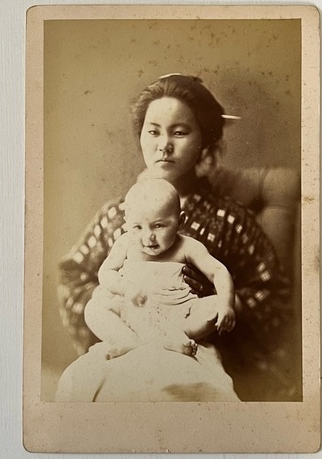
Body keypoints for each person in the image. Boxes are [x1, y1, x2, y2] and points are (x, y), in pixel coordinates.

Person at [56, 73, 292, 402]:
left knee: (171, 390)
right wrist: (122, 299)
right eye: (153, 131)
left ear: (204, 142)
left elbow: (270, 294)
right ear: (140, 136)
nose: (163, 145)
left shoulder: (228, 218)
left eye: (179, 132)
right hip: (126, 337)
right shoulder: (116, 214)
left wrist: (215, 306)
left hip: (190, 345)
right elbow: (74, 276)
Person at [85, 178, 236, 361]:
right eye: (137, 227)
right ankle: (127, 340)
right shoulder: (126, 243)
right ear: (126, 223)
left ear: (181, 221)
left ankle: (174, 337)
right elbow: (105, 272)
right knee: (94, 308)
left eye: (158, 226)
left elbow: (218, 271)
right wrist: (125, 288)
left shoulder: (188, 247)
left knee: (214, 305)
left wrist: (226, 304)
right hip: (133, 309)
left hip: (178, 314)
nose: (148, 237)